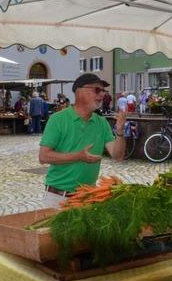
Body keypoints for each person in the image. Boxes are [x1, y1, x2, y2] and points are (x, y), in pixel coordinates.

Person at [39, 73, 127, 209]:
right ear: (80, 91)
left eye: (103, 91)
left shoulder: (102, 122)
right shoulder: (58, 119)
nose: (102, 95)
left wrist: (120, 132)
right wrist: (78, 156)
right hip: (58, 198)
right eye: (97, 90)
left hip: (87, 197)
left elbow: (118, 155)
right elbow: (44, 156)